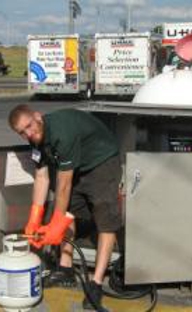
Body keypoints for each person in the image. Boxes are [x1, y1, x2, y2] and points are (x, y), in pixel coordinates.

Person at [8, 104, 122, 309]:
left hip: (102, 161)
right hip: (78, 166)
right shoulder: (36, 142)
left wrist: (55, 225)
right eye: (22, 132)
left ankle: (96, 284)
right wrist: (34, 218)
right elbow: (42, 177)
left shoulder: (62, 131)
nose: (29, 133)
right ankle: (65, 268)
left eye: (29, 126)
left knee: (106, 221)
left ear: (37, 116)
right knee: (69, 211)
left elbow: (64, 184)